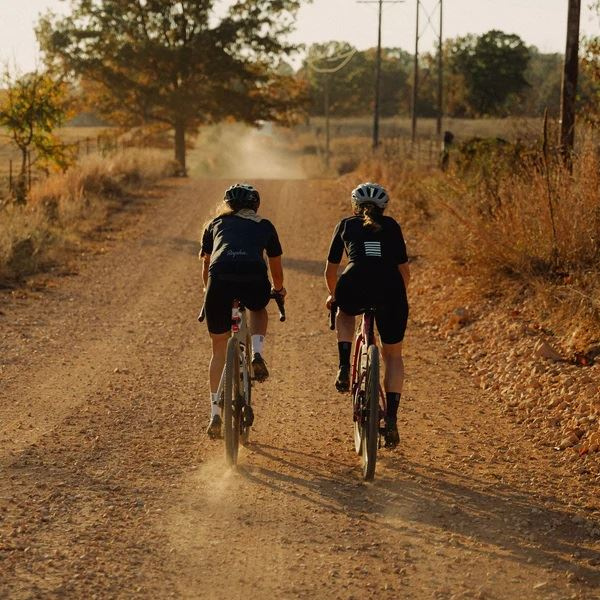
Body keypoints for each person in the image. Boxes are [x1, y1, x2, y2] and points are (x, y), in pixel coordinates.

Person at [324, 182, 410, 448]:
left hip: (354, 282)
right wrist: (397, 298)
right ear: (384, 208)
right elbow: (404, 272)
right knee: (393, 356)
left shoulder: (346, 224)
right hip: (391, 288)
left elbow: (330, 270)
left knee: (344, 311)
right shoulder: (392, 226)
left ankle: (343, 367)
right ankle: (391, 420)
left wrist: (333, 295)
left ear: (355, 206)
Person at [200, 183, 286, 438]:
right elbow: (276, 267)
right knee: (259, 308)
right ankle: (257, 353)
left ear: (228, 205)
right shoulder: (265, 225)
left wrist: (208, 291)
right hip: (253, 278)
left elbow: (206, 265)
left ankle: (215, 414)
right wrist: (278, 289)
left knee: (218, 349)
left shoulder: (214, 224)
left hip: (219, 280)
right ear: (255, 205)